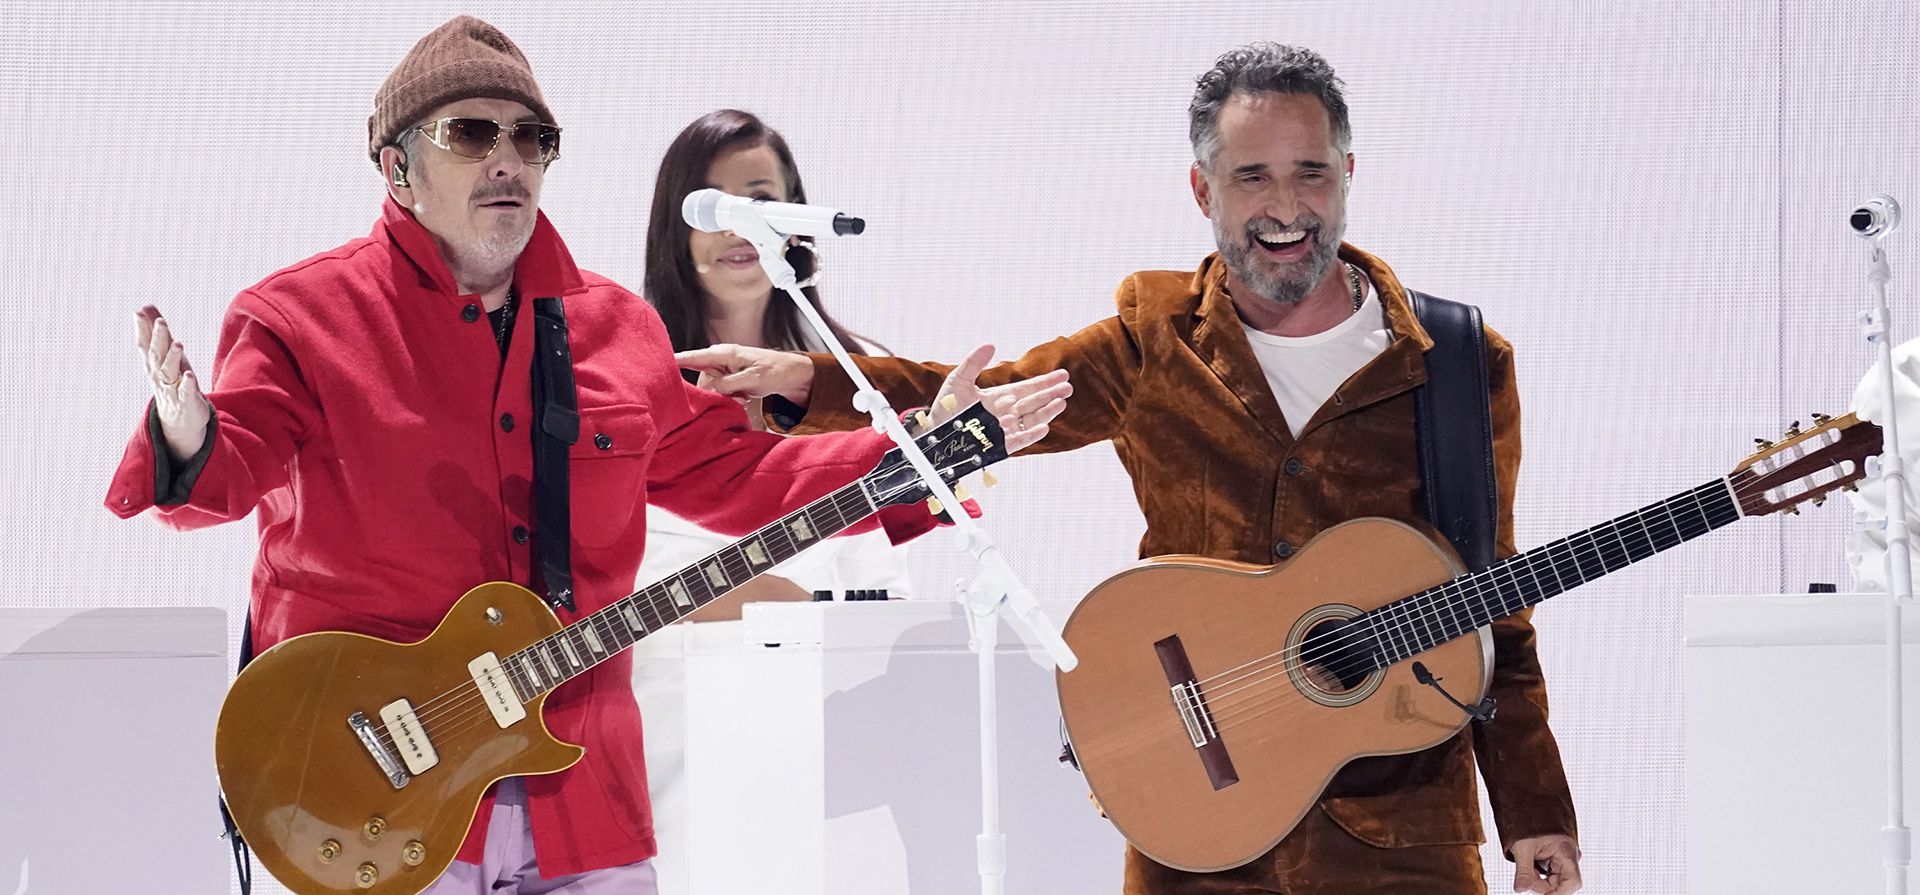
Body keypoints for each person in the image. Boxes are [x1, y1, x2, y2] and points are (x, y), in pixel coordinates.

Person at [102, 16, 1068, 895]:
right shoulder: (301, 317)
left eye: (532, 138)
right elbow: (225, 475)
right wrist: (187, 433)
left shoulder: (613, 328)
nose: (507, 159)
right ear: (396, 169)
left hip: (583, 795)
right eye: (470, 134)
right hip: (365, 792)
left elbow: (746, 480)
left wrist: (926, 453)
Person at [676, 43, 1582, 895]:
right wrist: (813, 378)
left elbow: (1494, 597)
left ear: (1349, 175)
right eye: (1251, 175)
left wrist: (1535, 808)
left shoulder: (1458, 360)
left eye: (1311, 170)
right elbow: (999, 394)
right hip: (1198, 814)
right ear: (1202, 190)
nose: (1286, 206)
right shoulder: (1158, 343)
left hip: (1403, 828)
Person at [630, 109, 915, 894]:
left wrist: (799, 612)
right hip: (671, 730)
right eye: (710, 202)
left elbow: (890, 586)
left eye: (759, 195)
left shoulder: (856, 382)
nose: (737, 223)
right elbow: (609, 577)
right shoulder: (621, 381)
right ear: (672, 227)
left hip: (827, 730)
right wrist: (767, 599)